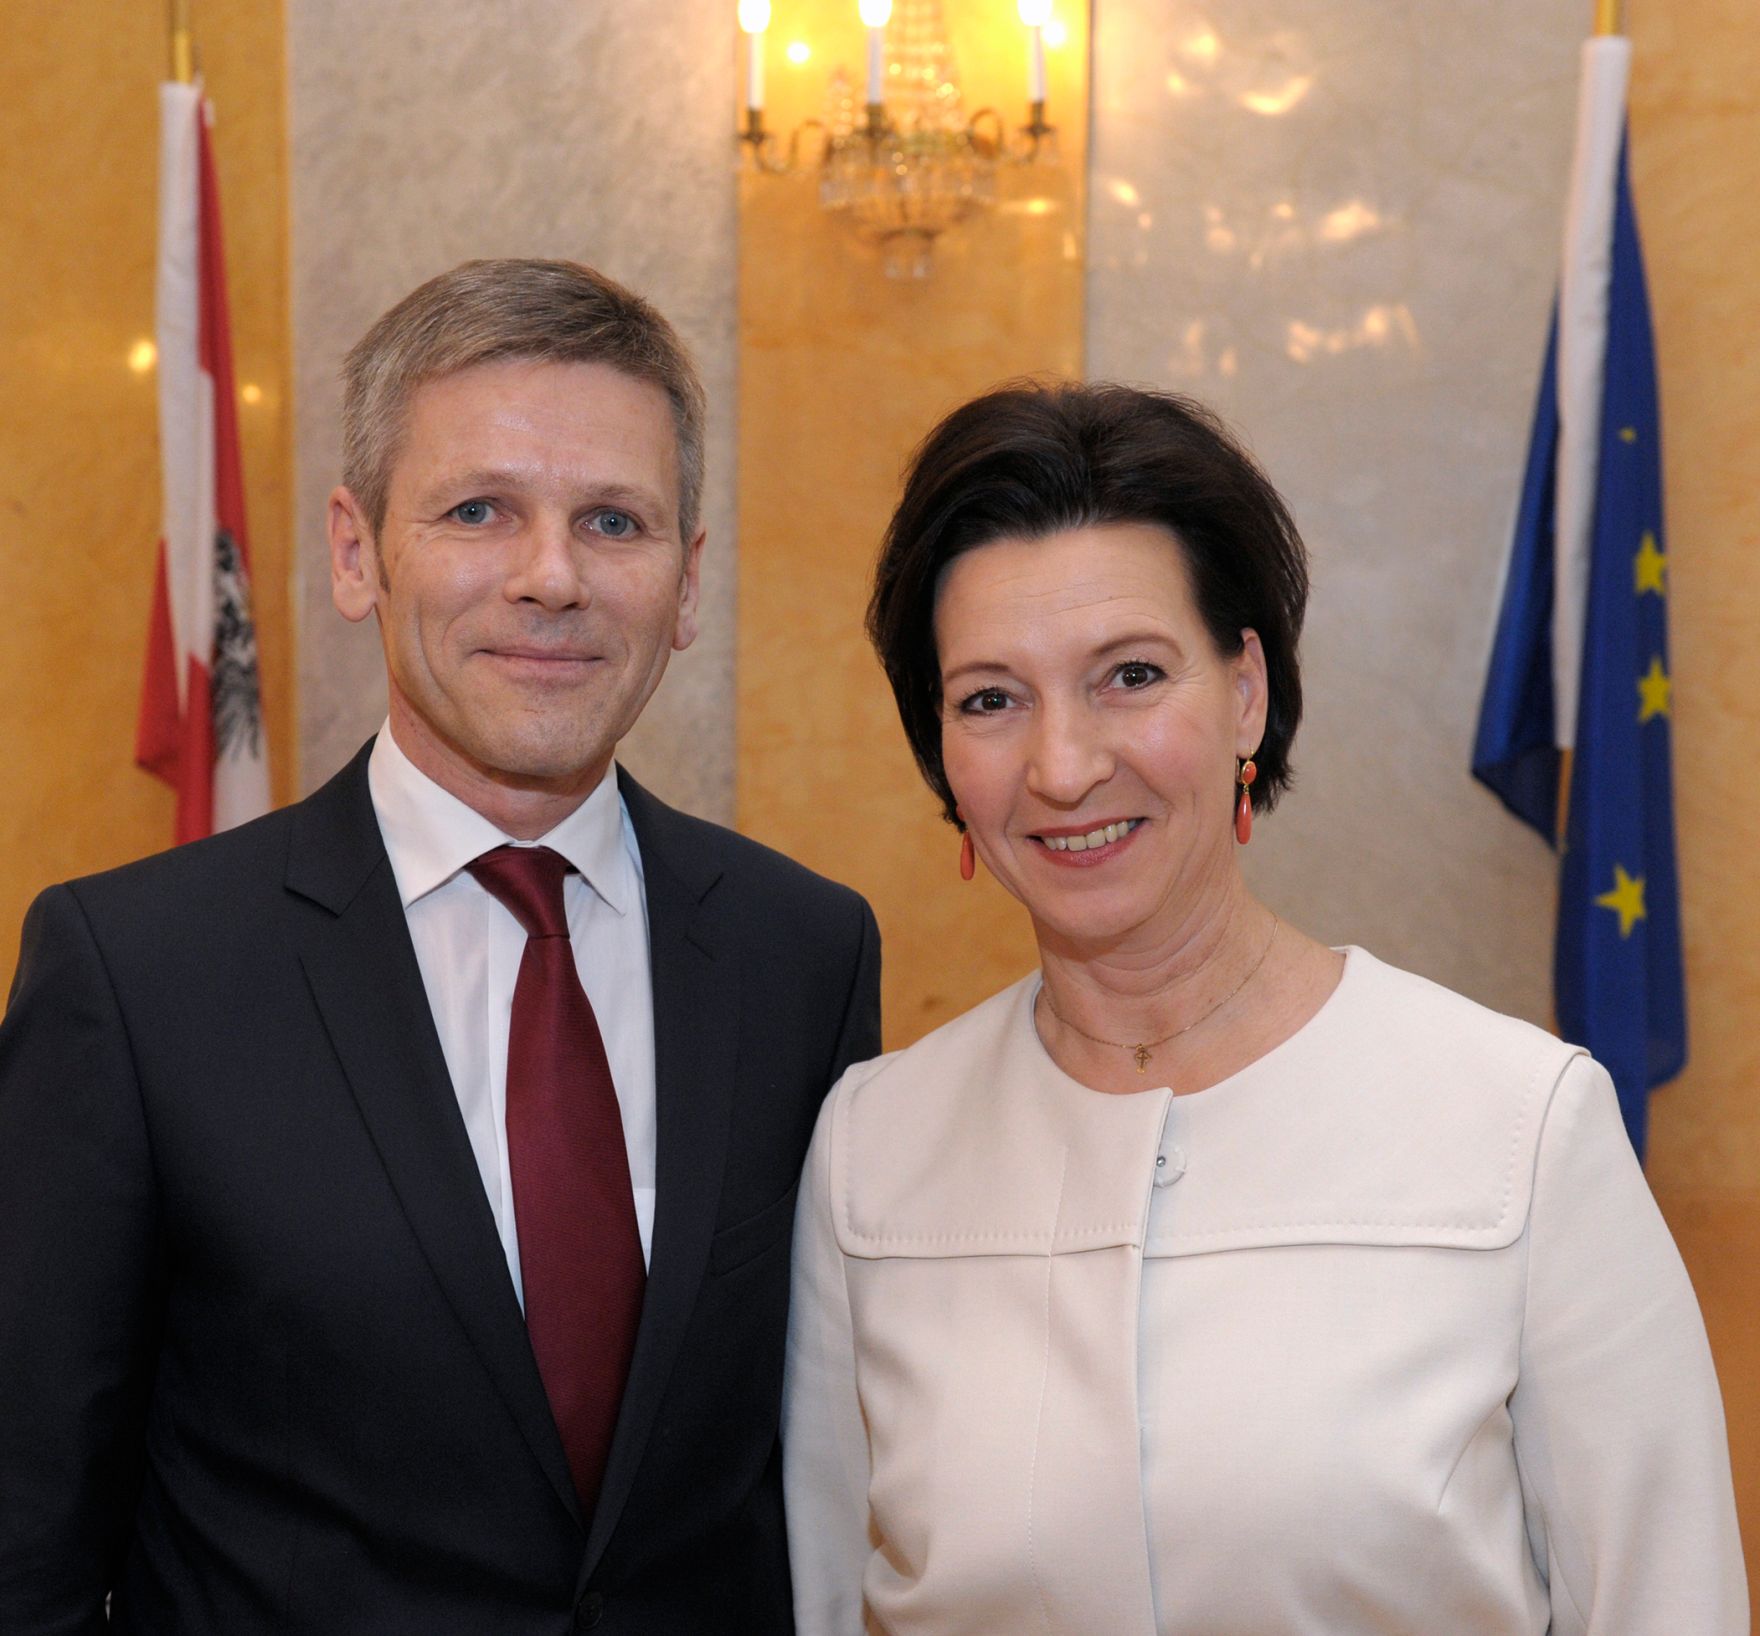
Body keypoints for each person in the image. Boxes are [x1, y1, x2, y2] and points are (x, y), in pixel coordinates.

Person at [0, 258, 880, 1634]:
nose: (552, 577)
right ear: (359, 553)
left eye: (615, 521)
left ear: (688, 581)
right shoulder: (134, 975)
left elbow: (812, 1460)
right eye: (480, 510)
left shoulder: (803, 955)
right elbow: (27, 1535)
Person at [782, 381, 1745, 1634]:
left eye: (1128, 674)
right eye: (988, 698)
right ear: (940, 755)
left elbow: (1664, 1601)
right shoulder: (872, 1148)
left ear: (1245, 691)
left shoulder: (1518, 1122)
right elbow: (806, 1593)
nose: (1062, 765)